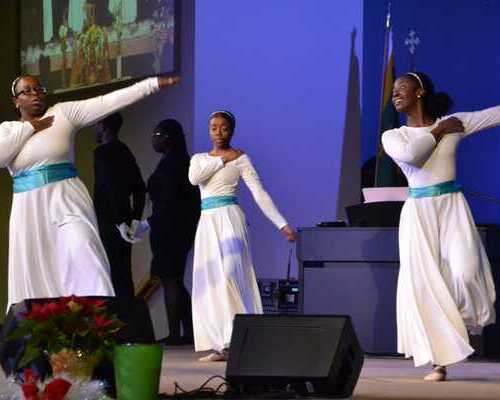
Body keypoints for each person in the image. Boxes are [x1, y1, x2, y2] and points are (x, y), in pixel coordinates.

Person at [0, 72, 179, 309]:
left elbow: (108, 101)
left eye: (39, 89)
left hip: (66, 199)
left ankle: (99, 325)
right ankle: (45, 330)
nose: (35, 94)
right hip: (30, 209)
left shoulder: (62, 113)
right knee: (36, 268)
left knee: (85, 250)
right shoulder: (8, 129)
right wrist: (31, 127)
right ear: (16, 101)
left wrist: (151, 85)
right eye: (27, 91)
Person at [382, 72, 496, 381]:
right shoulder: (395, 136)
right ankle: (439, 361)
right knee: (425, 283)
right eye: (393, 92)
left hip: (452, 206)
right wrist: (438, 131)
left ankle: (455, 326)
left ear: (419, 92)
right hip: (418, 211)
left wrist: (444, 127)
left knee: (466, 271)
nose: (395, 95)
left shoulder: (454, 124)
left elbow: (493, 115)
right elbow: (413, 156)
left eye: (401, 88)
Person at [188, 110, 297, 361]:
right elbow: (195, 179)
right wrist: (222, 159)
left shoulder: (242, 158)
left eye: (224, 128)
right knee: (211, 281)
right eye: (214, 127)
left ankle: (238, 338)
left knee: (230, 274)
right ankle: (219, 343)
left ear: (232, 131)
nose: (218, 132)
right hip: (207, 221)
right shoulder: (199, 159)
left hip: (230, 218)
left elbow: (259, 193)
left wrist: (281, 224)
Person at [135, 119, 200, 345]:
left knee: (170, 279)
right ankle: (189, 332)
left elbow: (169, 203)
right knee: (175, 280)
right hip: (177, 230)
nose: (153, 139)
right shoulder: (179, 162)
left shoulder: (173, 165)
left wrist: (147, 223)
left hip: (170, 231)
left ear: (167, 138)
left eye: (157, 134)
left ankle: (175, 334)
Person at [93, 112, 146, 303]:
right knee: (124, 274)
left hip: (109, 222)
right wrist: (134, 219)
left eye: (96, 123)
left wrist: (118, 222)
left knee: (111, 275)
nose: (94, 128)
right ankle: (130, 323)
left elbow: (109, 188)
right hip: (124, 219)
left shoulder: (101, 152)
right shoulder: (125, 150)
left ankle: (119, 327)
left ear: (103, 126)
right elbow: (140, 188)